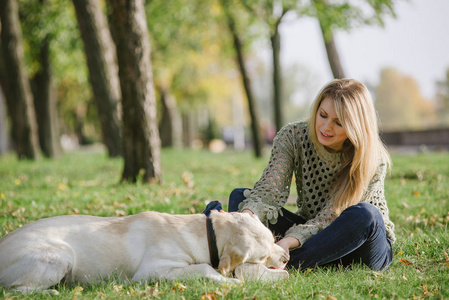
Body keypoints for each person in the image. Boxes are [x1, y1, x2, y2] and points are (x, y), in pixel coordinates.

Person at [205, 78, 395, 271]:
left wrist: (287, 241)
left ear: (355, 127)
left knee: (366, 214)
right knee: (241, 198)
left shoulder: (371, 157)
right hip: (313, 234)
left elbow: (331, 215)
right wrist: (244, 219)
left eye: (338, 123)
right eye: (323, 115)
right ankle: (255, 253)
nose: (326, 127)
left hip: (360, 244)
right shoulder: (294, 136)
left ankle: (279, 263)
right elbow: (269, 189)